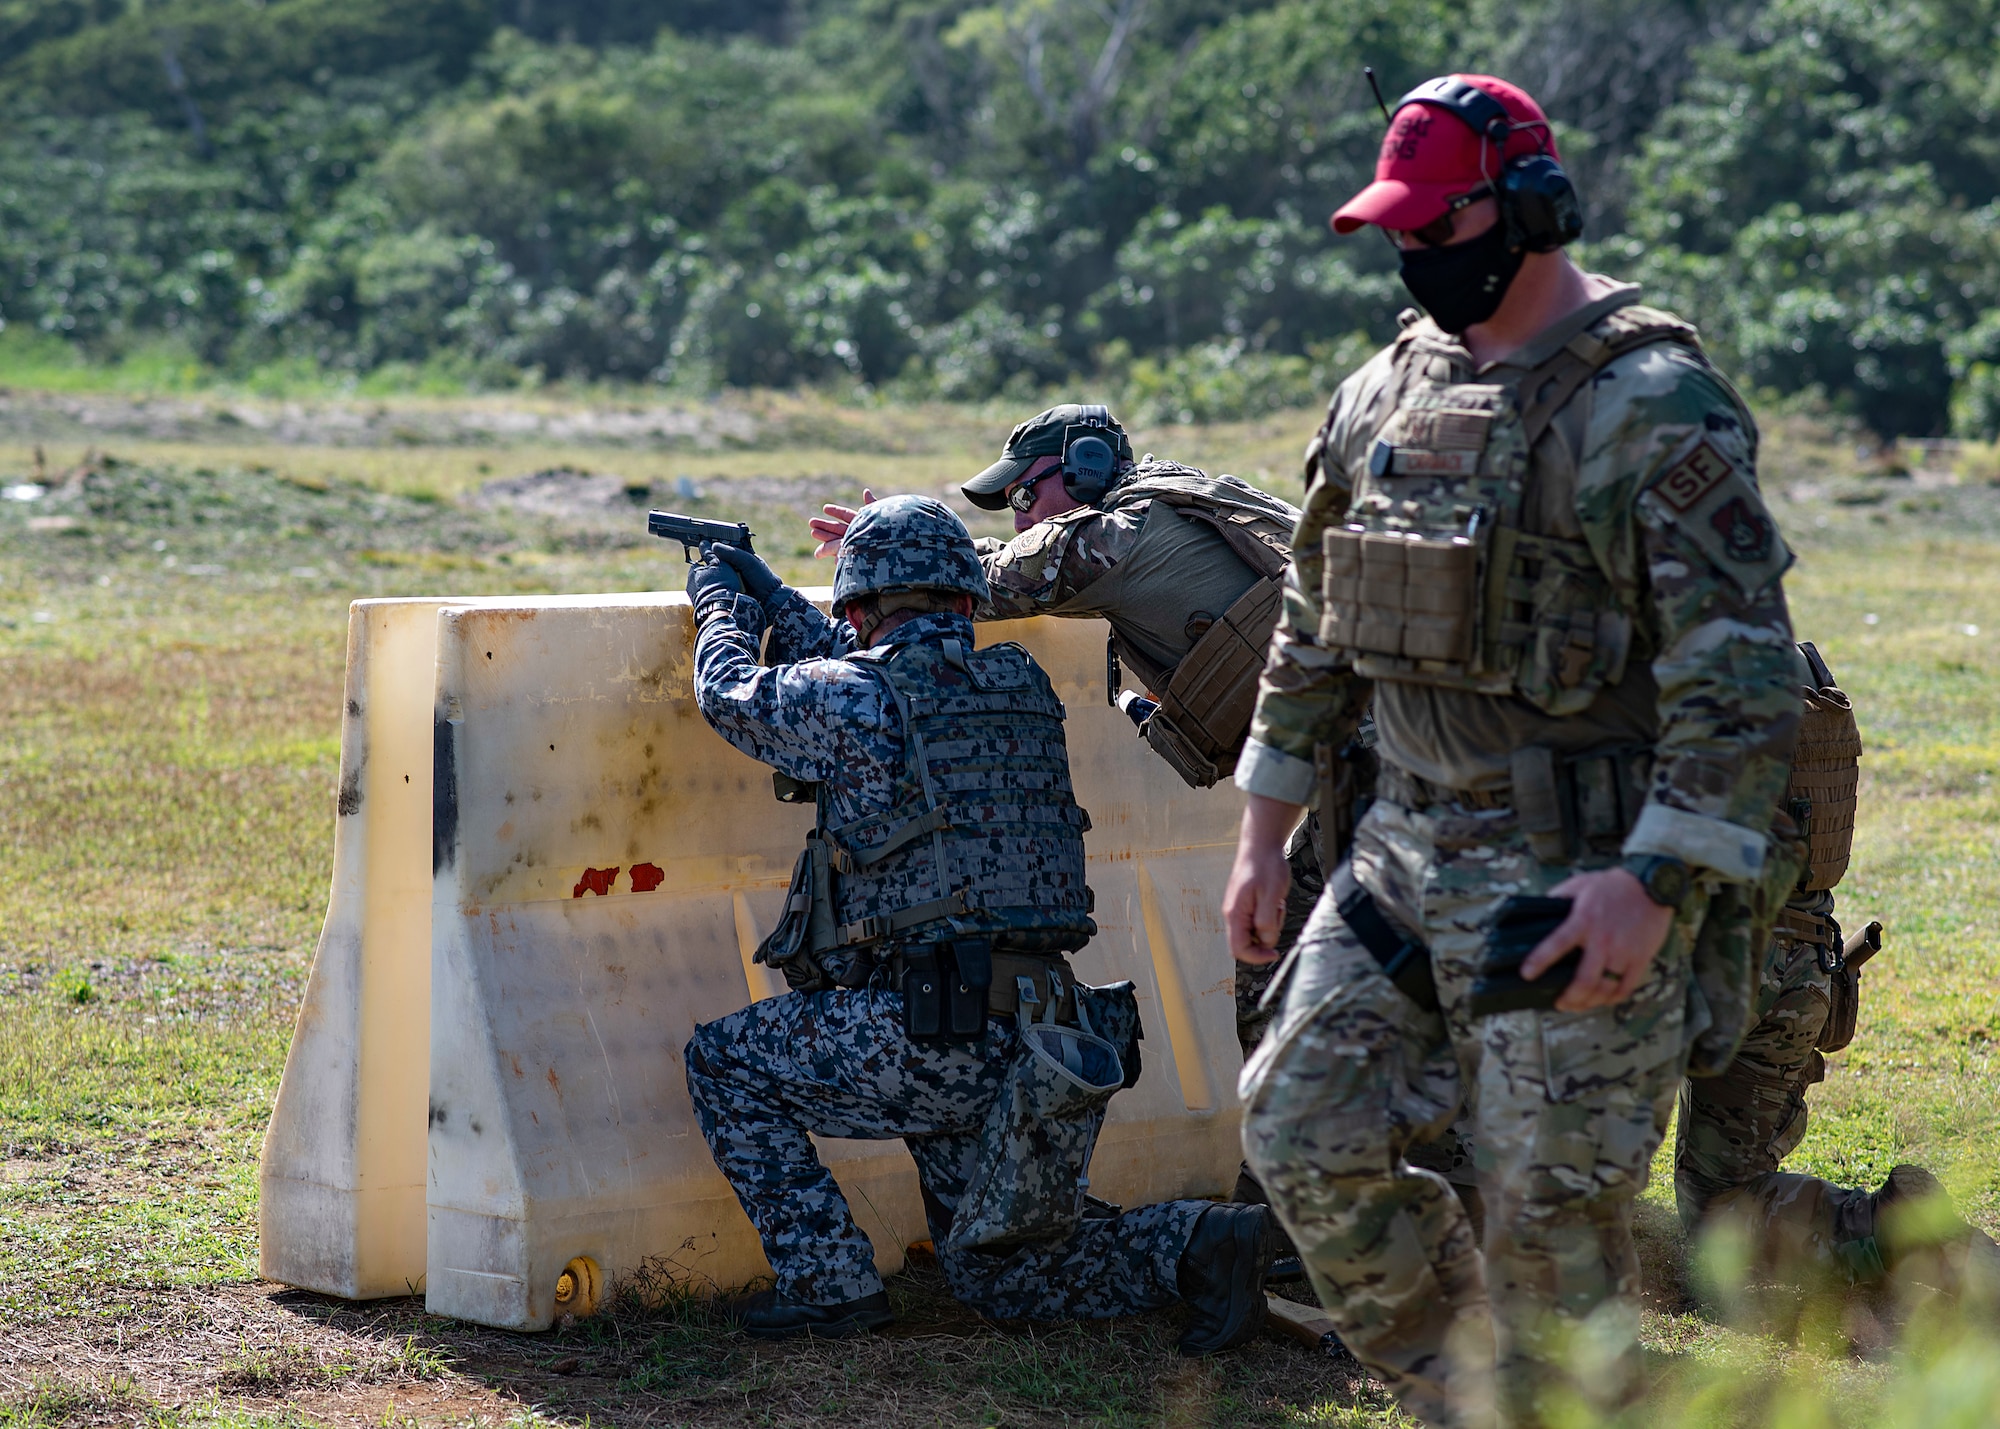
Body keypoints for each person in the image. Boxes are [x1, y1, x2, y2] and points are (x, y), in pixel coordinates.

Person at [1222, 73, 1804, 1426]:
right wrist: (1264, 824)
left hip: (1582, 865)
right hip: (1403, 854)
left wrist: (1648, 883)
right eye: (1398, 234)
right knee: (1297, 1128)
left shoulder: (1655, 406)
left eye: (1438, 226)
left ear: (1532, 208)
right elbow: (1316, 613)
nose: (1416, 257)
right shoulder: (1380, 394)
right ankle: (1470, 1397)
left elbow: (1746, 681)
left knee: (1554, 1237)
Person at [679, 493, 1274, 1350]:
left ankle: (827, 1283)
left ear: (858, 607)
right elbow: (878, 678)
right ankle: (1202, 1241)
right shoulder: (1016, 684)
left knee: (724, 1063)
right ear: (965, 598)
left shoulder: (856, 696)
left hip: (924, 1039)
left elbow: (731, 691)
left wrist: (721, 602)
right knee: (998, 1270)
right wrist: (775, 590)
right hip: (1042, 1042)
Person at [808, 405, 1307, 1050]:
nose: (1017, 517)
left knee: (1281, 972)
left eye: (1024, 494)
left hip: (1375, 768)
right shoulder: (1175, 502)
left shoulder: (1108, 538)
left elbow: (951, 588)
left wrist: (886, 552)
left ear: (1084, 471)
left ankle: (1301, 1149)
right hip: (1406, 752)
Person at [1676, 642, 1999, 1312]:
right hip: (1803, 963)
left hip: (1713, 960)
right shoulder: (1789, 664)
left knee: (1708, 1217)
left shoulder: (1672, 666)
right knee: (1728, 1186)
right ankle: (1913, 1233)